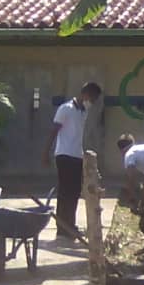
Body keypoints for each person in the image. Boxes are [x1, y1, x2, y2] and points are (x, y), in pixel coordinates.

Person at [43, 81, 102, 241]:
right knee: (65, 192)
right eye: (92, 98)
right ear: (84, 94)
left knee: (75, 192)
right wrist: (45, 153)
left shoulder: (83, 112)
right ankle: (62, 228)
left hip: (77, 156)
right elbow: (54, 131)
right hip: (64, 155)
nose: (92, 102)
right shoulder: (66, 109)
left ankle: (70, 224)